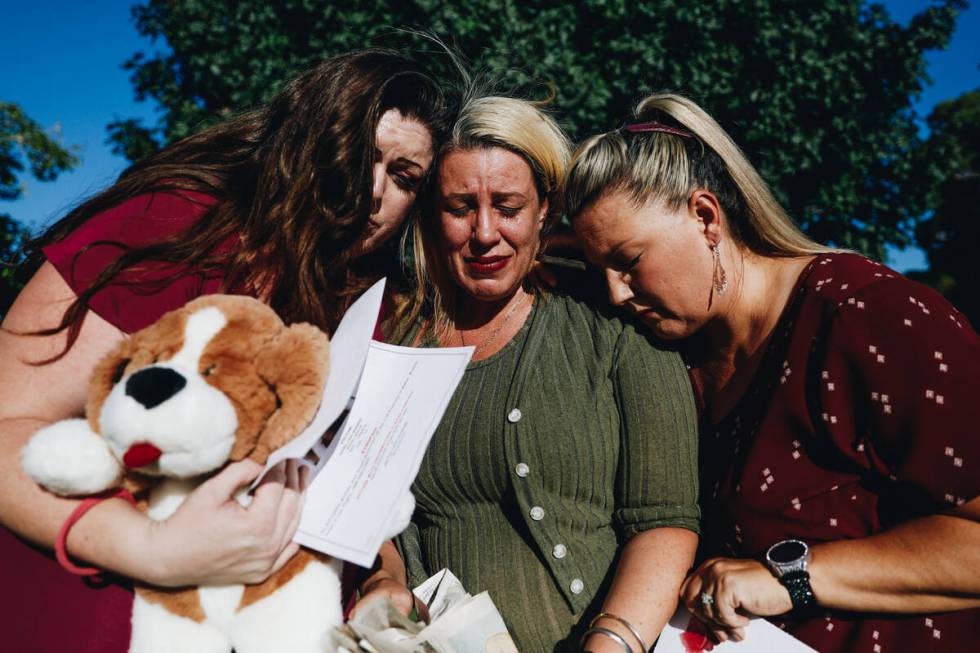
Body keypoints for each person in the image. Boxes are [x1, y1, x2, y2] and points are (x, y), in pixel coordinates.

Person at [0, 49, 447, 653]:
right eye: (362, 152)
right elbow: (6, 422)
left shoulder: (373, 308)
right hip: (94, 611)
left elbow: (345, 480)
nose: (373, 190)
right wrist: (149, 548)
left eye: (403, 177)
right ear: (307, 139)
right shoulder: (173, 223)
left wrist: (383, 576)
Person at [562, 93, 980, 652]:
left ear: (706, 217)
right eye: (600, 272)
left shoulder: (865, 316)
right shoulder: (678, 353)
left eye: (629, 261)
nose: (615, 294)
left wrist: (792, 576)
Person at [355, 95, 701, 653]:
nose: (485, 232)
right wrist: (384, 577)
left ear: (545, 208)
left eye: (509, 206)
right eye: (460, 206)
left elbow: (665, 519)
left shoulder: (612, 325)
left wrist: (611, 643)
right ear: (429, 214)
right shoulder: (392, 340)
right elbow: (372, 511)